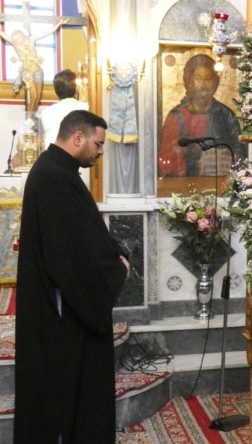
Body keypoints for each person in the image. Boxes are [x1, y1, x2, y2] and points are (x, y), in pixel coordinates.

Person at [14, 110, 131, 443]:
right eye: (98, 144)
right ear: (78, 137)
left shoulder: (59, 170)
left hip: (65, 305)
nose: (100, 151)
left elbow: (83, 232)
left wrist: (111, 253)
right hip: (62, 312)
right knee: (65, 394)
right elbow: (70, 253)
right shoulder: (54, 177)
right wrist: (116, 268)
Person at [158, 53, 245, 177]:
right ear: (190, 82)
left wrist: (224, 156)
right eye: (198, 79)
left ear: (215, 82)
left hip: (219, 181)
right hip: (183, 182)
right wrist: (185, 153)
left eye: (208, 79)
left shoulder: (226, 116)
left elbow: (239, 152)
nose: (203, 85)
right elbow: (165, 158)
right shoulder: (177, 116)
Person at [0, 17, 69, 113]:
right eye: (15, 40)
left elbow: (46, 33)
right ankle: (29, 116)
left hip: (38, 71)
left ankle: (32, 115)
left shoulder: (31, 40)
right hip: (27, 72)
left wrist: (59, 24)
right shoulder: (15, 44)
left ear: (22, 35)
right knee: (34, 95)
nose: (17, 41)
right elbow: (2, 34)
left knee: (37, 97)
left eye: (18, 38)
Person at [40, 69, 89, 148]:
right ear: (76, 89)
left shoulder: (46, 112)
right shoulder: (85, 108)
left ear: (56, 91)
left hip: (51, 153)